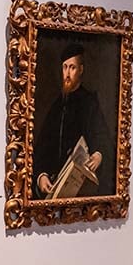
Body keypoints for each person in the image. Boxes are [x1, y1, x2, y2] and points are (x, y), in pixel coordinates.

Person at [32, 43, 113, 198]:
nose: (67, 74)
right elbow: (43, 145)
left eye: (72, 68)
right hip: (55, 183)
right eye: (65, 67)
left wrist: (98, 155)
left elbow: (102, 136)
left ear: (80, 70)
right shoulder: (58, 105)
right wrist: (41, 175)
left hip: (81, 185)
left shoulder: (89, 102)